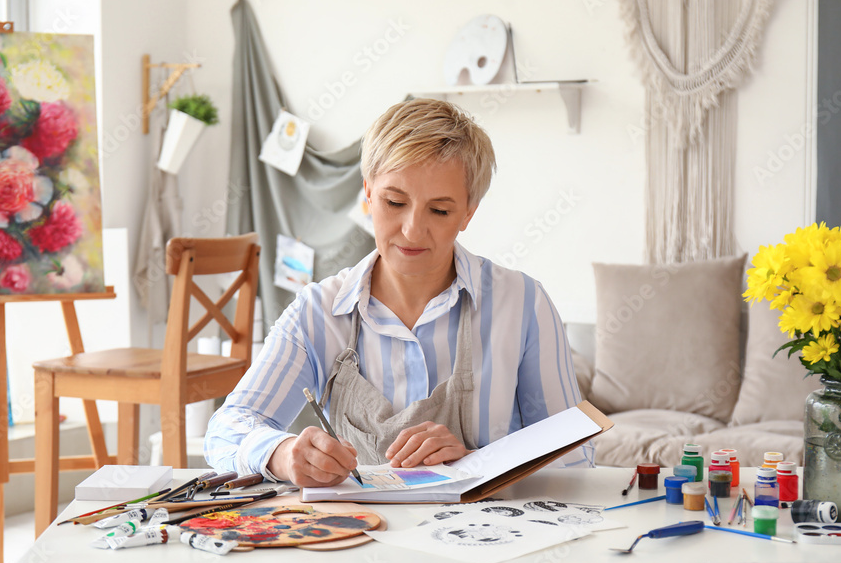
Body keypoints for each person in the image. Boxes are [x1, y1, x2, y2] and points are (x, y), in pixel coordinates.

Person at [204, 98, 593, 487]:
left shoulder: (523, 303)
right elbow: (226, 429)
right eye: (394, 202)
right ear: (368, 194)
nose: (411, 230)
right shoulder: (318, 311)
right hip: (362, 537)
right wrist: (283, 454)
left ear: (468, 213)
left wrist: (476, 462)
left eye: (439, 211)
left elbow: (577, 456)